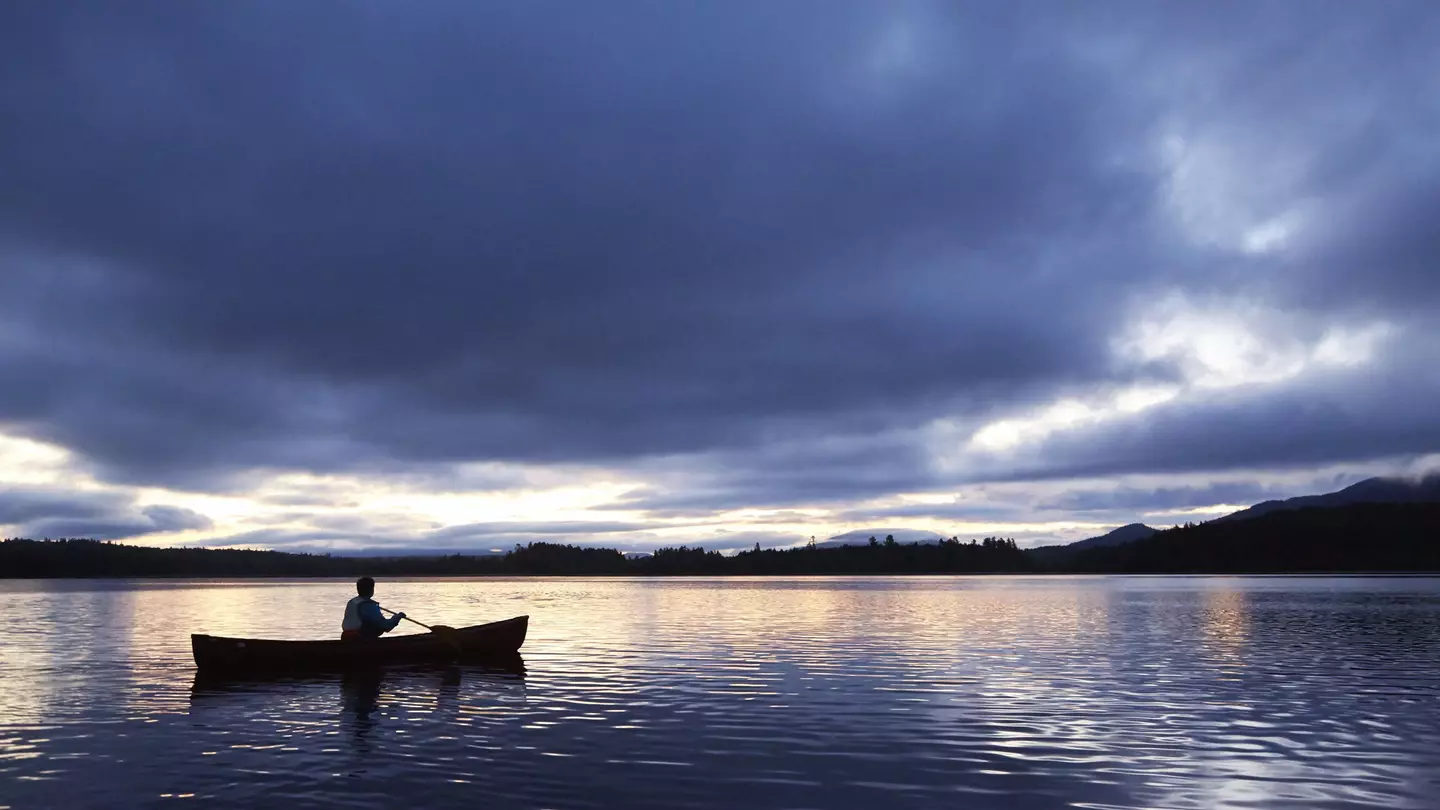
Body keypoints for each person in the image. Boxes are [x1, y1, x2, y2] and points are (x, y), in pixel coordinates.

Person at [341, 576, 405, 640]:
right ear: (371, 589)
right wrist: (397, 617)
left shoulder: (352, 602)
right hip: (361, 639)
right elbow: (385, 626)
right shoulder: (368, 605)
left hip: (346, 638)